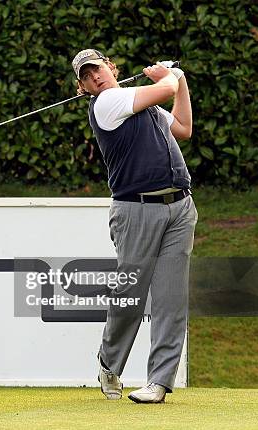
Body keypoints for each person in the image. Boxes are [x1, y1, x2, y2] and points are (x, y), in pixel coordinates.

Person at [71, 49, 198, 403]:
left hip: (179, 207)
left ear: (112, 68)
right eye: (87, 75)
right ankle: (109, 364)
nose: (95, 76)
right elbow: (163, 90)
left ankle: (159, 381)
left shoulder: (141, 105)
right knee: (130, 298)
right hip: (136, 211)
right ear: (83, 87)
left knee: (171, 299)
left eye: (98, 68)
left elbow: (183, 127)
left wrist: (180, 80)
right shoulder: (107, 104)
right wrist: (168, 76)